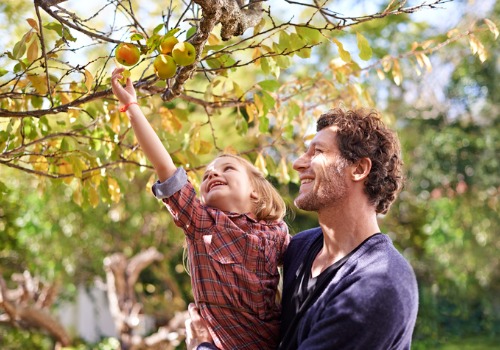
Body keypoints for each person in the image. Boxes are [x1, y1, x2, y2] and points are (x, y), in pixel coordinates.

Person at [185, 107, 419, 350]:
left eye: (317, 152)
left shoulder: (378, 286)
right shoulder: (299, 248)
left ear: (359, 169)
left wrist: (203, 346)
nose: (297, 164)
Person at [110, 67, 291, 350]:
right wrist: (132, 106)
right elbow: (166, 169)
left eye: (227, 168)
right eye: (206, 174)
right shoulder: (202, 224)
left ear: (255, 191)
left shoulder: (277, 232)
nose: (211, 174)